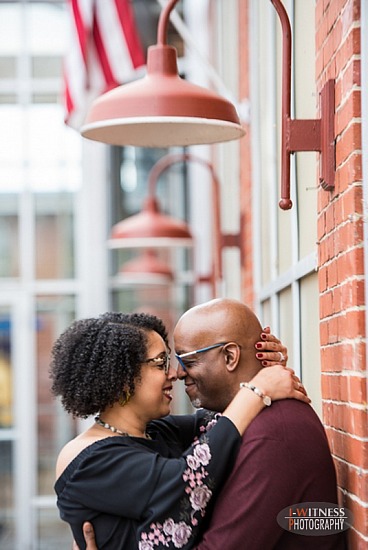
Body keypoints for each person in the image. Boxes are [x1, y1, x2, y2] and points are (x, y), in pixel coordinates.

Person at [80, 299, 346, 550]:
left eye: (187, 360)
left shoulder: (273, 435)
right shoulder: (243, 419)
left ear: (230, 356)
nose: (178, 373)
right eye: (166, 363)